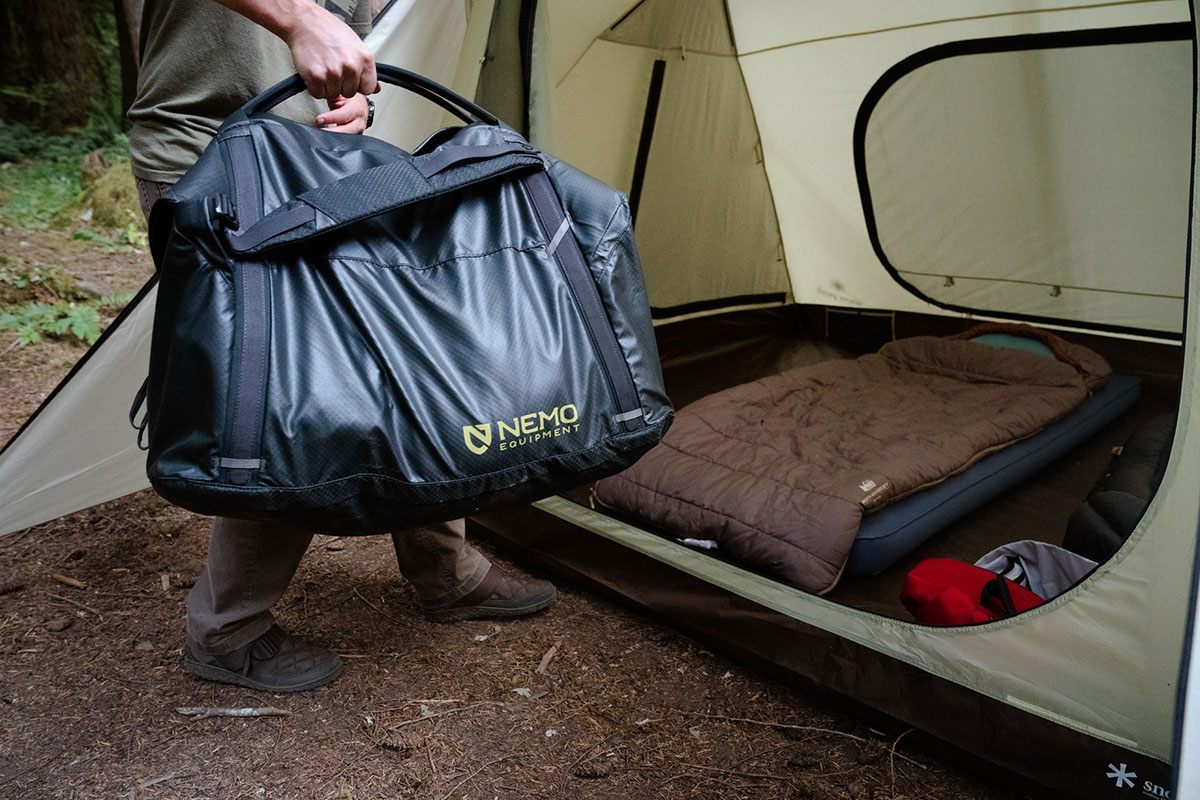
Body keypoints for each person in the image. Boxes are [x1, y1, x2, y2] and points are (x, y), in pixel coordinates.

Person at [126, 0, 556, 693]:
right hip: (213, 148)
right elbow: (308, 25)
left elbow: (344, 34)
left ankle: (445, 570)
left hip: (320, 160)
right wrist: (297, 19)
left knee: (406, 357)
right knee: (287, 391)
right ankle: (226, 632)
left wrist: (348, 100)